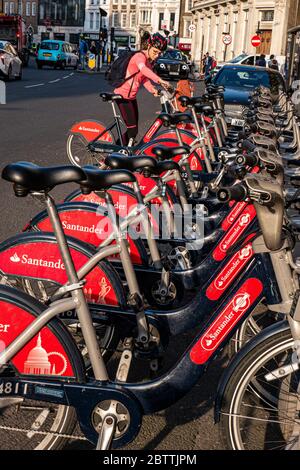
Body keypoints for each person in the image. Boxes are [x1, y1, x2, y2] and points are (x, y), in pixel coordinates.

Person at [113, 32, 170, 146]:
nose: (157, 55)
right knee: (132, 130)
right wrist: (160, 80)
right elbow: (144, 70)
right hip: (122, 96)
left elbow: (143, 79)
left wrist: (153, 90)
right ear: (148, 46)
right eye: (155, 52)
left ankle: (122, 150)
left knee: (134, 131)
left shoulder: (148, 62)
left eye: (160, 53)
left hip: (131, 97)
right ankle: (114, 154)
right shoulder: (140, 57)